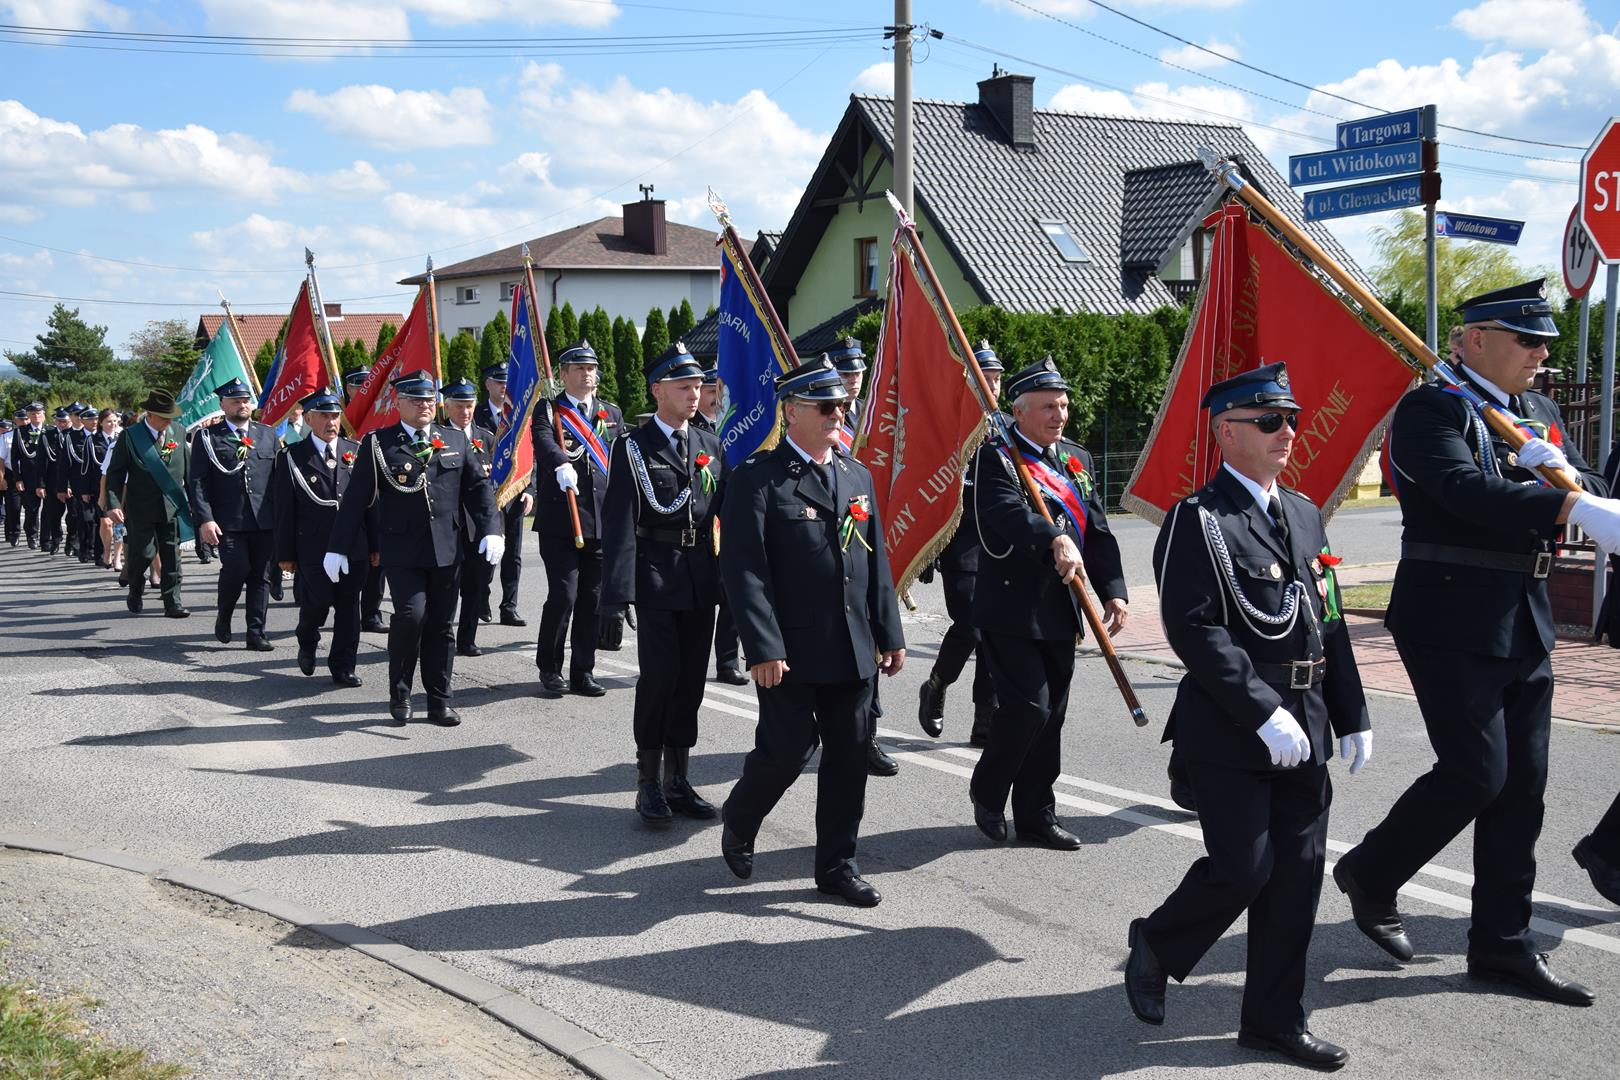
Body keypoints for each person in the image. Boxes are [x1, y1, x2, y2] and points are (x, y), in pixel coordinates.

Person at [1334, 281, 1620, 1007]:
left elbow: (1580, 477)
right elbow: (1461, 492)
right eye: (1528, 340)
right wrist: (1559, 498)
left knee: (1522, 787)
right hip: (1449, 612)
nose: (1542, 351)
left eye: (1544, 340)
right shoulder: (1433, 409)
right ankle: (1371, 871)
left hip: (1524, 613)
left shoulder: (1537, 411)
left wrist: (1558, 474)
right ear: (1475, 340)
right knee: (1476, 772)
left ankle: (1501, 945)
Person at [1123, 362, 1372, 1071]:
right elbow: (1194, 628)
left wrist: (1350, 712)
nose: (1287, 432)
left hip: (1308, 719)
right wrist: (1262, 711)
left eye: (1290, 419)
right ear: (1226, 432)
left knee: (1296, 876)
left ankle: (1272, 1022)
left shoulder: (1302, 512)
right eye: (1269, 421)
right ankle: (1161, 941)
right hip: (1233, 726)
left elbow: (1328, 620)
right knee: (1245, 867)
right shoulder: (1198, 520)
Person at [718, 355, 905, 907]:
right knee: (787, 751)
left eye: (841, 406)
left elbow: (876, 562)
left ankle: (837, 865)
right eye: (825, 406)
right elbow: (744, 570)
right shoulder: (758, 478)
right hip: (791, 649)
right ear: (791, 410)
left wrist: (888, 633)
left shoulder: (855, 474)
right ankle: (742, 814)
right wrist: (763, 647)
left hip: (851, 647)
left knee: (849, 757)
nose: (836, 414)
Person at [967, 357, 1127, 851]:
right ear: (1019, 411)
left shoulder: (1076, 460)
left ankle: (1037, 813)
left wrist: (1114, 590)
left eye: (1063, 405)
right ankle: (989, 791)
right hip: (1010, 608)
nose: (1059, 415)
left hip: (1062, 608)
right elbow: (1007, 514)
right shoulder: (996, 456)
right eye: (1048, 407)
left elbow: (1096, 531)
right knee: (1027, 708)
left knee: (1052, 715)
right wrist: (1052, 537)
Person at [326, 373, 501, 726]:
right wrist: (338, 547)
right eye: (415, 400)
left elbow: (478, 490)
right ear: (399, 403)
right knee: (411, 617)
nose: (424, 406)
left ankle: (439, 700)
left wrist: (491, 529)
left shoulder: (453, 439)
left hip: (447, 549)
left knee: (440, 625)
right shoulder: (379, 444)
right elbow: (356, 500)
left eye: (428, 400)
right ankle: (401, 690)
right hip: (403, 551)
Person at [601, 342, 729, 827]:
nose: (695, 394)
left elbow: (728, 513)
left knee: (692, 681)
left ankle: (679, 780)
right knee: (659, 679)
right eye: (684, 386)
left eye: (699, 386)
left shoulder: (709, 445)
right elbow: (619, 522)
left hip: (699, 576)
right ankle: (647, 783)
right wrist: (615, 597)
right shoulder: (632, 446)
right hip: (655, 575)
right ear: (658, 390)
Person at [918, 341, 1003, 746]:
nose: (992, 386)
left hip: (1002, 547)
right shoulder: (946, 427)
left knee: (994, 627)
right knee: (971, 624)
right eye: (984, 379)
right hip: (961, 544)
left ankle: (985, 718)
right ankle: (936, 684)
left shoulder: (1008, 428)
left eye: (997, 379)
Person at [531, 339, 623, 698]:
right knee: (564, 594)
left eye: (591, 367)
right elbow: (542, 442)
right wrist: (560, 463)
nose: (588, 373)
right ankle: (550, 667)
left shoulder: (610, 412)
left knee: (592, 598)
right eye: (580, 368)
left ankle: (583, 670)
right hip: (561, 521)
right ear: (564, 374)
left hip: (600, 520)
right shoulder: (549, 410)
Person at [273, 388, 368, 687]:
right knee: (318, 601)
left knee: (350, 607)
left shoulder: (355, 450)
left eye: (335, 415)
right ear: (310, 418)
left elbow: (372, 503)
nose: (332, 422)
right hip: (314, 546)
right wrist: (285, 553)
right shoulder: (291, 457)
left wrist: (376, 545)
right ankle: (307, 637)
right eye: (325, 416)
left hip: (354, 545)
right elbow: (283, 510)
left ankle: (343, 666)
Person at [188, 378, 279, 651]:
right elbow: (198, 482)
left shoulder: (267, 434)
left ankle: (256, 632)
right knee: (236, 570)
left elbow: (277, 479)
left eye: (246, 400)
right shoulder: (208, 437)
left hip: (263, 519)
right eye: (236, 400)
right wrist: (205, 519)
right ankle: (224, 615)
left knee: (260, 576)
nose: (243, 405)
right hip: (228, 521)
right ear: (222, 404)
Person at [103, 390, 191, 618]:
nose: (169, 421)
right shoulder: (131, 436)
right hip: (140, 507)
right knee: (142, 553)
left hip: (171, 506)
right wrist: (113, 504)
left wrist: (197, 504)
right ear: (150, 414)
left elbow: (188, 470)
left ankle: (173, 602)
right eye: (164, 416)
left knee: (172, 555)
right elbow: (115, 473)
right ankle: (135, 589)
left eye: (171, 416)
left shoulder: (178, 433)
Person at [694, 367, 748, 686]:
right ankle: (693, 659)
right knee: (702, 596)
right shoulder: (690, 429)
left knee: (732, 594)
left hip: (731, 520)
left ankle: (728, 660)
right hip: (703, 522)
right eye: (710, 390)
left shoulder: (738, 427)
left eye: (720, 390)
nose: (717, 397)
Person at [474, 361, 533, 628]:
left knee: (513, 555)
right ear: (487, 384)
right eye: (499, 382)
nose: (504, 387)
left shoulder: (521, 414)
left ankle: (509, 606)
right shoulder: (475, 415)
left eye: (507, 382)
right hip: (485, 496)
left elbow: (532, 455)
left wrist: (530, 488)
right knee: (486, 552)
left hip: (515, 492)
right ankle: (481, 598)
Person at [444, 378, 500, 657]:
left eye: (469, 406)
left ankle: (467, 638)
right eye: (459, 406)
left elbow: (497, 481)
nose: (465, 412)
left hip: (479, 526)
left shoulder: (487, 438)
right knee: (447, 586)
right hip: (449, 525)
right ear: (447, 406)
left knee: (476, 585)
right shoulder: (437, 438)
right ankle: (439, 636)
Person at [344, 366, 389, 633]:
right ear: (348, 389)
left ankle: (371, 612)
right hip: (343, 498)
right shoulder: (336, 417)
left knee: (376, 555)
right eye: (357, 385)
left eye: (367, 385)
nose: (363, 390)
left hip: (376, 497)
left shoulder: (379, 415)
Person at [9, 402, 48, 549]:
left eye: (38, 413)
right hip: (29, 476)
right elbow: (14, 457)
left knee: (49, 509)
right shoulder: (20, 432)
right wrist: (18, 478)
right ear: (29, 416)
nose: (36, 416)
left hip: (48, 476)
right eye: (32, 414)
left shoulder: (50, 430)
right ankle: (32, 536)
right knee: (31, 510)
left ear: (43, 415)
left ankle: (46, 538)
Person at [90, 408, 122, 570]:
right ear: (101, 423)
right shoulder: (92, 440)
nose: (112, 424)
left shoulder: (122, 439)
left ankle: (117, 557)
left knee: (118, 524)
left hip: (119, 487)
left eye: (115, 421)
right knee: (105, 522)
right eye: (109, 421)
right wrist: (85, 490)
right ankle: (106, 551)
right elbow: (87, 467)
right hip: (100, 485)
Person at [39, 406, 73, 555]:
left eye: (64, 421)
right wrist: (41, 484)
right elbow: (40, 463)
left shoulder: (75, 435)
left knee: (73, 516)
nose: (61, 424)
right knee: (53, 514)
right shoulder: (47, 435)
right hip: (52, 482)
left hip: (72, 483)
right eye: (59, 421)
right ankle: (56, 539)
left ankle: (71, 543)